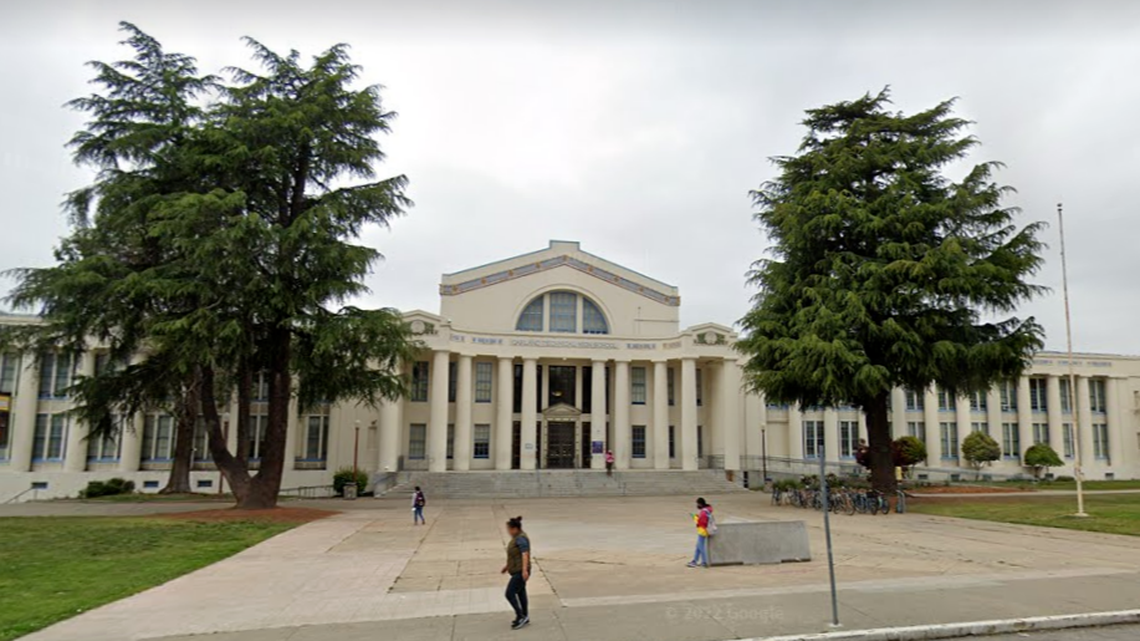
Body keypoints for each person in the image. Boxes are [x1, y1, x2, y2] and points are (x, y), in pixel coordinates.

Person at [501, 515, 531, 630]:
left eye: (509, 529)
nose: (508, 531)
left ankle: (520, 615)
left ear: (515, 529)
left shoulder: (520, 538)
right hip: (517, 570)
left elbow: (524, 554)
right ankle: (525, 615)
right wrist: (507, 566)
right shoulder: (517, 537)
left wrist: (524, 570)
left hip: (520, 571)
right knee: (520, 592)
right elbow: (515, 555)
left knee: (509, 593)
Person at [688, 497, 713, 568]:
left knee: (701, 547)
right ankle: (694, 561)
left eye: (697, 504)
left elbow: (702, 522)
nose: (697, 505)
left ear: (700, 504)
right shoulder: (707, 510)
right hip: (704, 531)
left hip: (702, 531)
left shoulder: (703, 511)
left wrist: (695, 519)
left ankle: (704, 562)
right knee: (698, 547)